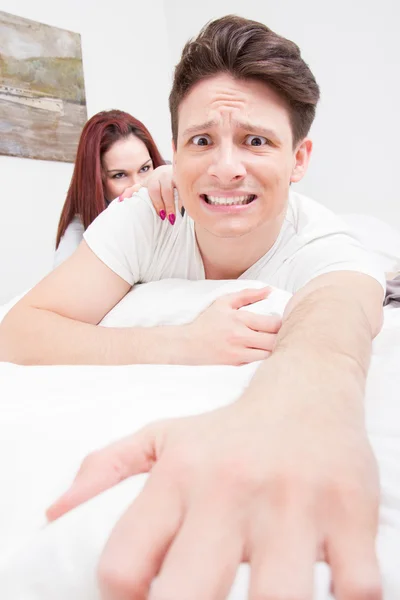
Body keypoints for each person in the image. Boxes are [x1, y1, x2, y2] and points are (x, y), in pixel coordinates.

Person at [0, 14, 385, 600]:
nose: (225, 167)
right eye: (201, 140)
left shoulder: (323, 241)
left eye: (256, 141)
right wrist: (180, 344)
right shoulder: (146, 217)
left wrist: (293, 412)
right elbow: (18, 331)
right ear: (175, 152)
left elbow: (340, 318)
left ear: (299, 159)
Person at [54, 109, 167, 267]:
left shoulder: (168, 180)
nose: (137, 186)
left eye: (145, 168)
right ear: (97, 182)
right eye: (119, 175)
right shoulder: (77, 239)